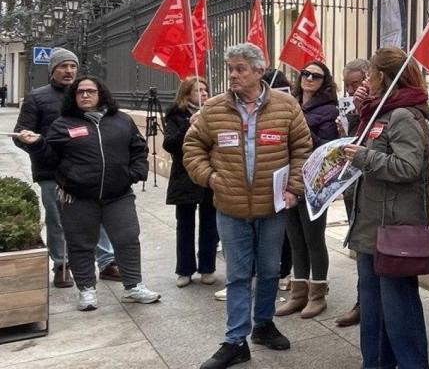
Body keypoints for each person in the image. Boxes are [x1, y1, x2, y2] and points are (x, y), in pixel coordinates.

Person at [183, 43, 311, 369]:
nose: (233, 75)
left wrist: (294, 189)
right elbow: (193, 146)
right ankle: (235, 341)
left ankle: (263, 325)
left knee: (269, 270)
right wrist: (209, 177)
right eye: (230, 69)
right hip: (230, 207)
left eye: (240, 68)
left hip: (273, 207)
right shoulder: (214, 108)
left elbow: (302, 148)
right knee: (238, 275)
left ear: (258, 71)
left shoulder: (286, 105)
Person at [15, 76, 160, 311]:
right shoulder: (62, 124)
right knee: (80, 243)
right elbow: (50, 158)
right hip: (78, 197)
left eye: (90, 91)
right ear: (73, 96)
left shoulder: (122, 120)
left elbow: (138, 148)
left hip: (118, 194)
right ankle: (86, 290)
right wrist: (37, 144)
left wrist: (135, 173)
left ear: (100, 94)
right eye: (79, 92)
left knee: (127, 239)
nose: (85, 95)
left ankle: (133, 287)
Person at [341, 47, 429, 369]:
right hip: (371, 226)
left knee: (399, 312)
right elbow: (366, 145)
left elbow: (409, 167)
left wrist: (363, 157)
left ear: (382, 75)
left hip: (394, 229)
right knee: (374, 311)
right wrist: (360, 112)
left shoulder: (403, 114)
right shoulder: (378, 111)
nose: (366, 80)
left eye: (370, 73)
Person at [12, 47, 119, 288]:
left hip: (86, 169)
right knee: (57, 219)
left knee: (97, 215)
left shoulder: (87, 94)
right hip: (51, 173)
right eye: (63, 66)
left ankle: (107, 262)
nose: (69, 71)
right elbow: (20, 135)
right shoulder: (37, 97)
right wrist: (37, 146)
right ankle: (62, 265)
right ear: (52, 70)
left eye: (73, 66)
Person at [275, 60, 339, 319]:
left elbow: (329, 147)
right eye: (305, 74)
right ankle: (298, 294)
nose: (309, 78)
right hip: (288, 178)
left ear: (324, 82)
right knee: (294, 238)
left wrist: (301, 128)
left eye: (316, 76)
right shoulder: (290, 102)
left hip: (314, 181)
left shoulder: (329, 110)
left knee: (313, 238)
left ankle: (317, 294)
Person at [162, 76, 218, 288]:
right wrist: (189, 124)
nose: (203, 94)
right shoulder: (176, 115)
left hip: (209, 175)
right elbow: (170, 144)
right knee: (185, 225)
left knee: (210, 224)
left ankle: (207, 267)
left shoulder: (213, 113)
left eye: (205, 90)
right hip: (185, 177)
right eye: (198, 90)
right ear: (186, 95)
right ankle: (185, 269)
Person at [335, 57, 369, 329]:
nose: (350, 91)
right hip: (352, 190)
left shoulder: (377, 108)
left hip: (371, 192)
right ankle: (362, 302)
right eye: (347, 85)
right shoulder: (349, 110)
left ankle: (366, 303)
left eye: (355, 84)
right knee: (359, 250)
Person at [262, 67, 295, 292]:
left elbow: (300, 144)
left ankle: (283, 271)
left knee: (284, 229)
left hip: (284, 176)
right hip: (259, 179)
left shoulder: (289, 108)